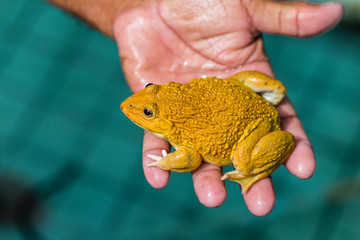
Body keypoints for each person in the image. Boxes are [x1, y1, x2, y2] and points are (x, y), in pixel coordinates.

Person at [47, 0, 343, 216]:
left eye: (149, 109)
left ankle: (252, 170)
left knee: (243, 160)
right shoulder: (177, 93)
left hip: (252, 129)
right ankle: (271, 98)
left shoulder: (181, 130)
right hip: (246, 95)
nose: (133, 106)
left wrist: (165, 162)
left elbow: (188, 158)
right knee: (241, 83)